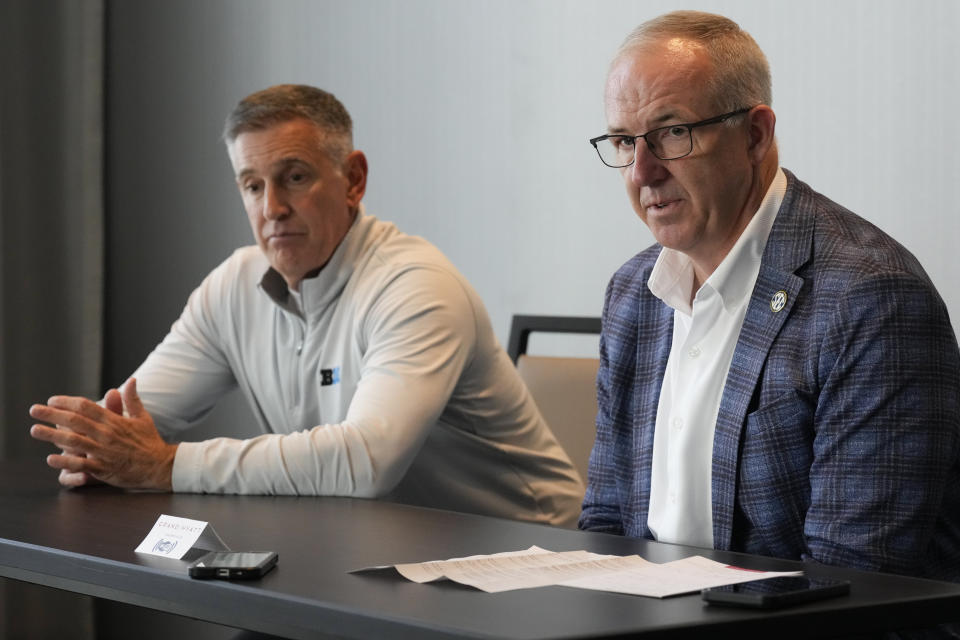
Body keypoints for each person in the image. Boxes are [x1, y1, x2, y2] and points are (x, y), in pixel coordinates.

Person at [29, 84, 583, 527]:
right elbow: (131, 426)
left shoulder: (417, 285)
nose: (272, 208)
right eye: (251, 185)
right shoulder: (233, 286)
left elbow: (367, 463)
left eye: (294, 178)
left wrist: (165, 464)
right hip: (369, 557)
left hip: (525, 565)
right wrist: (99, 452)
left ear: (353, 180)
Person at [579, 10, 960, 583]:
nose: (643, 171)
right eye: (624, 141)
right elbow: (607, 522)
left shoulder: (871, 297)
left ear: (755, 135)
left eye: (672, 133)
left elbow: (854, 577)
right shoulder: (634, 294)